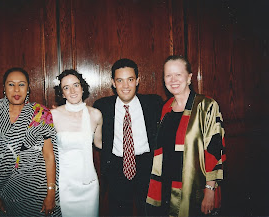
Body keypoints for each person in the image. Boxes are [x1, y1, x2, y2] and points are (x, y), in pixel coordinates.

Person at [146, 55, 226, 216]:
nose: (173, 79)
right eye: (168, 75)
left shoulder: (206, 106)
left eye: (178, 74)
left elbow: (215, 150)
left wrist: (210, 189)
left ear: (189, 77)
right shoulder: (165, 108)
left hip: (195, 187)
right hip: (167, 185)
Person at [0, 67, 61, 216]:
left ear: (28, 88)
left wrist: (50, 193)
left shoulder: (40, 113)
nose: (16, 90)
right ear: (4, 88)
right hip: (3, 191)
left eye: (21, 84)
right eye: (11, 84)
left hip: (37, 191)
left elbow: (49, 156)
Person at [93, 58, 163, 216]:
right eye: (120, 80)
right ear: (113, 82)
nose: (125, 86)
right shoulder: (102, 106)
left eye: (130, 80)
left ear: (138, 80)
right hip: (116, 168)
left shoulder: (154, 103)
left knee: (149, 212)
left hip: (147, 166)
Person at [51, 69, 102, 217]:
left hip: (89, 186)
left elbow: (100, 144)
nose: (72, 91)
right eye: (66, 87)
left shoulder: (95, 114)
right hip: (64, 185)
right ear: (62, 93)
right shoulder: (53, 115)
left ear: (82, 87)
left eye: (76, 85)